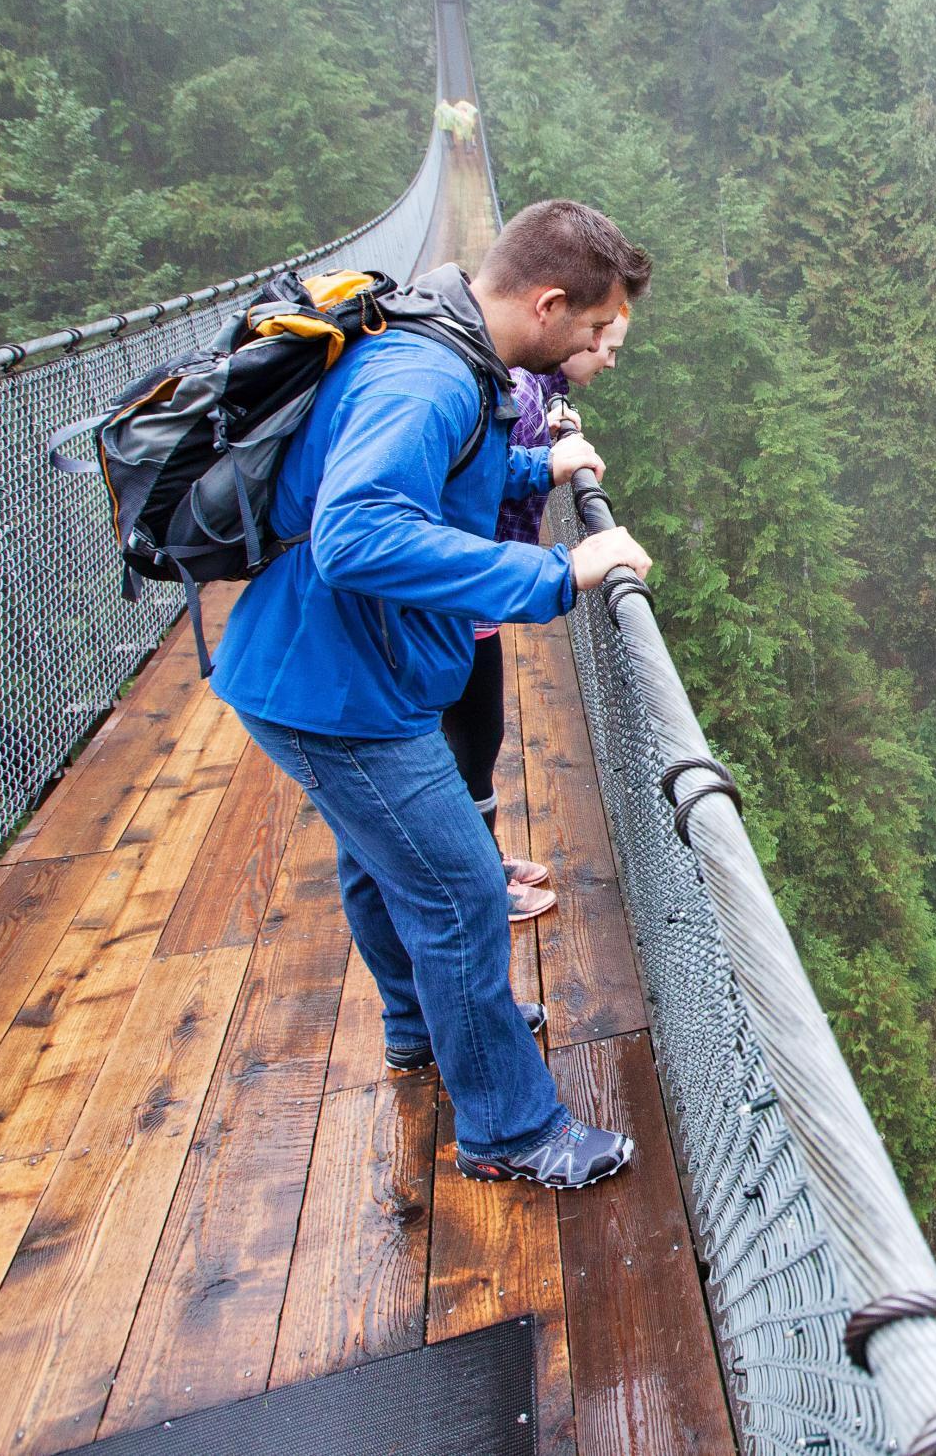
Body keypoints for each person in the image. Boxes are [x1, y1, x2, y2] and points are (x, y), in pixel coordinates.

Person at [211, 199, 654, 1189]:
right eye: (593, 330)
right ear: (548, 305)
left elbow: (449, 473)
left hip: (328, 670)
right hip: (338, 689)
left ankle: (426, 1026)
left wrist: (539, 462)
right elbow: (358, 534)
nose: (596, 346)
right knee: (459, 893)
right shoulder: (427, 373)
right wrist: (555, 574)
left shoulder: (442, 345)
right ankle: (509, 1129)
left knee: (384, 866)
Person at [442, 303, 629, 922]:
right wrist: (561, 569)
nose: (607, 355)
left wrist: (556, 432)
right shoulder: (518, 392)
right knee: (472, 742)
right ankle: (478, 887)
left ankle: (482, 865)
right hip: (458, 601)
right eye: (600, 340)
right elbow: (478, 481)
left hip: (466, 599)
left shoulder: (532, 388)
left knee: (474, 740)